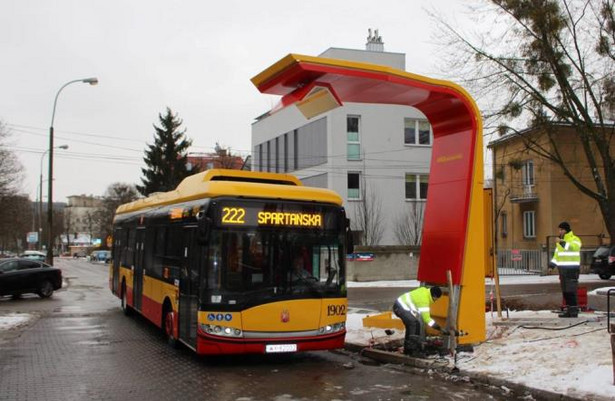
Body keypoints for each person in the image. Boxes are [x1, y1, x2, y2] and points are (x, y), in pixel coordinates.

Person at [392, 286, 446, 356]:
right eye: (437, 299)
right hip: (400, 308)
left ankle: (408, 350)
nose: (436, 300)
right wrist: (440, 328)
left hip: (399, 306)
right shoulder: (424, 300)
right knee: (414, 323)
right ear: (434, 296)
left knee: (412, 325)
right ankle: (412, 350)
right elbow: (427, 319)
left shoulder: (424, 291)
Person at [549, 221, 582, 318]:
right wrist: (551, 265)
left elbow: (573, 248)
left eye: (561, 229)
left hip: (572, 269)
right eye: (559, 230)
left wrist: (562, 242)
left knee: (571, 290)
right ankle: (569, 310)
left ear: (565, 230)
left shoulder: (574, 239)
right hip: (562, 269)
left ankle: (573, 311)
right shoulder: (560, 241)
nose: (559, 231)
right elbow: (557, 255)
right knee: (565, 291)